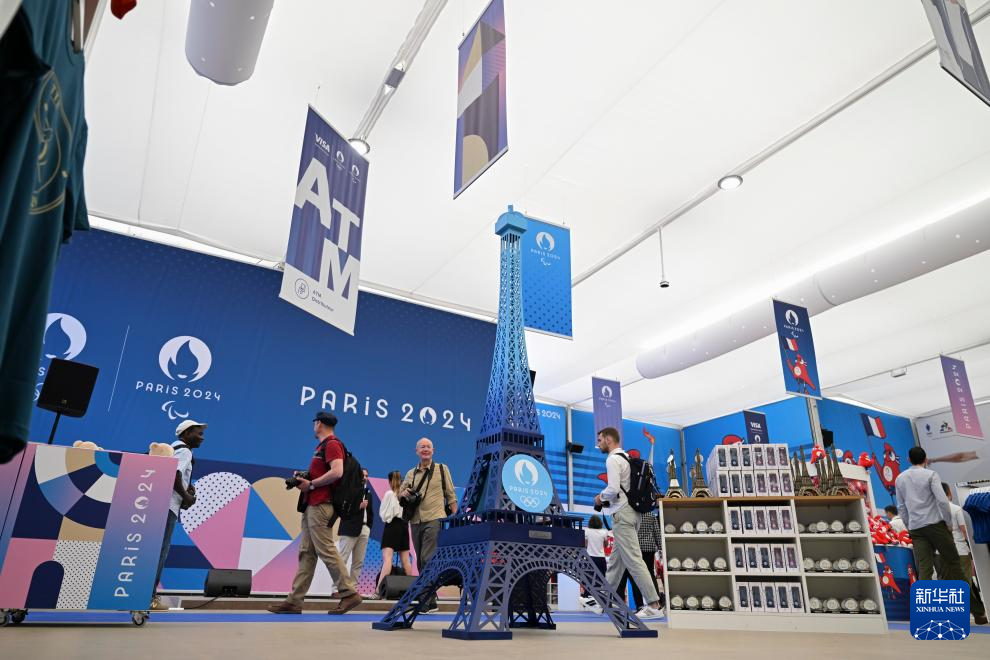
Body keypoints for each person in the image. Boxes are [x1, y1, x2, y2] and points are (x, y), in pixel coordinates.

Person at [268, 412, 361, 615]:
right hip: (313, 504)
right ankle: (294, 601)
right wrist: (306, 477)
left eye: (315, 423)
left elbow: (337, 471)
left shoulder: (332, 444)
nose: (314, 426)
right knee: (307, 553)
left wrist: (310, 484)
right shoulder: (322, 447)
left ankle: (349, 593)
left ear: (319, 423)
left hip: (321, 505)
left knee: (326, 549)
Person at [895, 446, 985, 624]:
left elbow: (901, 506)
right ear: (925, 459)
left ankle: (924, 615)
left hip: (916, 528)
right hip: (936, 525)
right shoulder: (931, 475)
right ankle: (978, 612)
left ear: (908, 459)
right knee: (954, 566)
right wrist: (948, 523)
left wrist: (909, 526)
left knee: (925, 570)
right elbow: (942, 501)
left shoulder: (900, 478)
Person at [594, 427, 663, 620]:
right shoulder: (626, 458)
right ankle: (602, 602)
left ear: (608, 439)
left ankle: (654, 605)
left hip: (622, 515)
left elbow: (613, 489)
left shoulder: (612, 459)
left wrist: (599, 498)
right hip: (633, 514)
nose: (598, 444)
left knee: (633, 560)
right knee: (616, 564)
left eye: (600, 440)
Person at [152, 419, 206, 610]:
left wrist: (186, 487)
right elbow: (173, 474)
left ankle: (138, 594)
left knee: (152, 551)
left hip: (159, 505)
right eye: (198, 433)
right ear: (186, 433)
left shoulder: (172, 449)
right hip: (168, 507)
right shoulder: (184, 451)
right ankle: (149, 597)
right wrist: (186, 496)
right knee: (160, 552)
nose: (202, 438)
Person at [400, 437, 458, 613]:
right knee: (419, 561)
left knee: (427, 558)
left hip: (435, 518)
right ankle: (431, 600)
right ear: (417, 451)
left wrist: (456, 515)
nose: (425, 449)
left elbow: (450, 493)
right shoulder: (411, 473)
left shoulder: (442, 469)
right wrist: (404, 493)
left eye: (428, 447)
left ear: (433, 451)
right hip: (415, 520)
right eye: (422, 447)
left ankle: (425, 599)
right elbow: (401, 494)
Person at [936, 483, 987, 624]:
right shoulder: (956, 509)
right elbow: (964, 531)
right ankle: (977, 614)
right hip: (960, 551)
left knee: (946, 584)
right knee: (965, 582)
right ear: (949, 493)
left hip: (940, 553)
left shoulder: (933, 511)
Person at [336, 468, 373, 598]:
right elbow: (342, 509)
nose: (365, 477)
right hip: (349, 528)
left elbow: (371, 512)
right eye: (363, 475)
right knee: (343, 558)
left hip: (364, 529)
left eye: (367, 475)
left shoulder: (368, 493)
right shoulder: (348, 489)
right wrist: (358, 506)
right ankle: (337, 588)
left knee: (358, 562)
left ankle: (352, 589)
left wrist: (368, 527)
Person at [376, 470, 414, 597]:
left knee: (387, 559)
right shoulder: (405, 495)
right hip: (404, 526)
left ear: (390, 481)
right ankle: (411, 591)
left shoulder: (389, 494)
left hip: (392, 526)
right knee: (406, 560)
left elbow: (384, 514)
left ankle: (378, 591)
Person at [617, 510, 664, 611]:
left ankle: (639, 605)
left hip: (635, 548)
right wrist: (660, 547)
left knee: (637, 576)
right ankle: (656, 603)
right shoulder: (651, 515)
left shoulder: (632, 515)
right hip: (649, 549)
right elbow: (657, 532)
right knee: (650, 574)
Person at [579, 515, 609, 610]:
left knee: (588, 578)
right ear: (600, 523)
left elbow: (584, 544)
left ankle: (587, 597)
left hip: (590, 557)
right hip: (601, 558)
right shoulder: (604, 532)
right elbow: (606, 545)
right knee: (600, 579)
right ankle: (597, 598)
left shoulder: (587, 531)